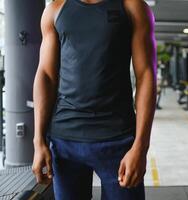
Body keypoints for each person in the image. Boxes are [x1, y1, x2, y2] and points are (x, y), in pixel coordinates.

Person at [31, 0, 157, 199]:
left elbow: (146, 75)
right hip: (65, 142)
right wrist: (39, 141)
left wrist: (141, 147)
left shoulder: (132, 7)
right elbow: (46, 75)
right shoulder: (55, 10)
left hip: (117, 140)